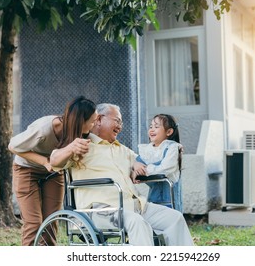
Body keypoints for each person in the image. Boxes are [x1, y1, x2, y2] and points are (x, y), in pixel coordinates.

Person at [50, 103, 194, 246]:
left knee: (175, 218)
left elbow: (145, 162)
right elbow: (54, 161)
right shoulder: (82, 146)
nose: (120, 126)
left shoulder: (122, 149)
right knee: (137, 222)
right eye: (117, 120)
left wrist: (171, 150)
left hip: (135, 206)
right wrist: (70, 148)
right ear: (99, 119)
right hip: (101, 211)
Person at [8, 96, 98, 246]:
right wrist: (45, 162)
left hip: (54, 174)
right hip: (27, 170)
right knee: (34, 223)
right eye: (93, 121)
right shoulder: (44, 128)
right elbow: (13, 146)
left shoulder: (80, 134)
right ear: (81, 121)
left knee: (51, 221)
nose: (94, 125)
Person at [133, 114, 183, 212]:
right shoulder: (147, 150)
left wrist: (144, 170)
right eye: (151, 126)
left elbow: (166, 168)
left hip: (170, 197)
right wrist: (135, 170)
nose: (152, 129)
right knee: (153, 220)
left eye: (156, 127)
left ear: (169, 132)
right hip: (153, 196)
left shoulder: (172, 148)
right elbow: (137, 163)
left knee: (171, 220)